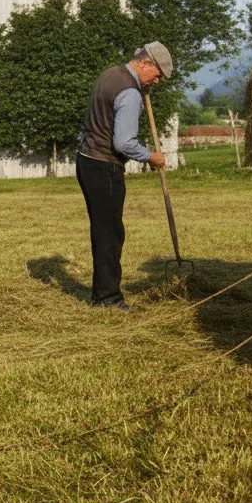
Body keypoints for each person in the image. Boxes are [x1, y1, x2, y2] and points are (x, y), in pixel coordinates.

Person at [75, 42, 172, 312]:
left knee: (103, 229)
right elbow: (124, 143)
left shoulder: (109, 74)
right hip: (104, 166)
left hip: (85, 161)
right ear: (145, 63)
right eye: (157, 75)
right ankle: (107, 299)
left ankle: (102, 293)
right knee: (110, 233)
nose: (157, 81)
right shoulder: (129, 93)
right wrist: (150, 156)